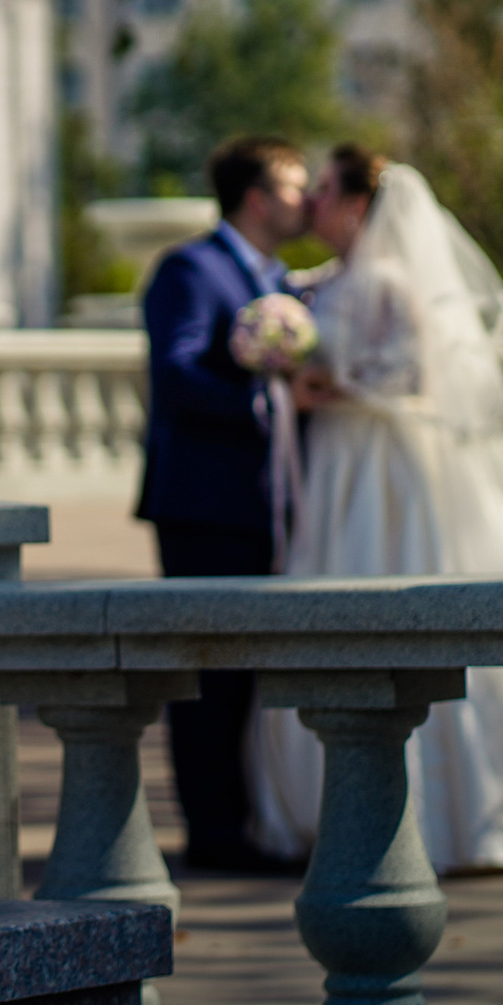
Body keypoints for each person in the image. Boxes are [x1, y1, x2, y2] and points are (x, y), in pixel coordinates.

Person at [248, 145, 503, 871]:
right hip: (339, 467)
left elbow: (421, 374)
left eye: (324, 188)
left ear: (355, 204)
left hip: (387, 464)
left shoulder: (390, 279)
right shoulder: (325, 282)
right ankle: (340, 805)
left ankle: (454, 814)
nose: (312, 200)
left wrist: (330, 384)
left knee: (408, 597)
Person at [138, 134, 310, 873]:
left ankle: (253, 816)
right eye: (295, 186)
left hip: (273, 503)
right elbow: (173, 376)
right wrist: (267, 400)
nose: (305, 201)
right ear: (257, 196)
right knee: (209, 670)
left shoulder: (288, 282)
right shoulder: (190, 268)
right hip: (204, 503)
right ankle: (213, 830)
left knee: (254, 666)